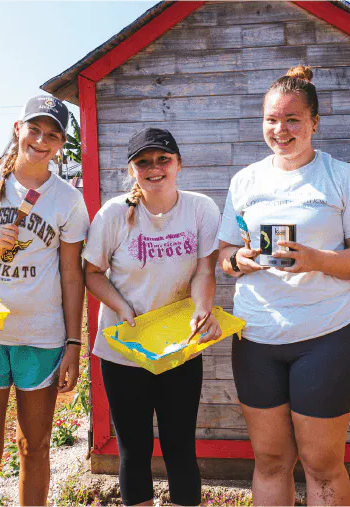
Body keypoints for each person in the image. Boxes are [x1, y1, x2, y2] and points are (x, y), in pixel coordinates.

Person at [216, 66, 350, 506]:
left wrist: (317, 260)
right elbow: (224, 254)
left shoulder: (342, 176)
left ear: (314, 123)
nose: (280, 129)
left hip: (326, 337)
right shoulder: (245, 181)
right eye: (272, 119)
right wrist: (238, 260)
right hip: (256, 336)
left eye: (292, 120)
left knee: (322, 465)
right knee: (270, 461)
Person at [0, 96, 89, 507]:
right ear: (18, 128)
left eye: (53, 134)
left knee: (35, 447)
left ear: (62, 143)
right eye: (35, 129)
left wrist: (73, 344)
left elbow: (71, 273)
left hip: (41, 338)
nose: (42, 140)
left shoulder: (67, 199)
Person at [84, 127, 221, 507]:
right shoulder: (114, 214)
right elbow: (91, 272)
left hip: (180, 347)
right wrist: (122, 307)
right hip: (125, 348)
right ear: (132, 170)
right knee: (134, 450)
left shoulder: (200, 209)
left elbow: (204, 271)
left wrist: (201, 309)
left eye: (163, 159)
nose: (154, 168)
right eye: (143, 161)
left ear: (179, 164)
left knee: (180, 447)